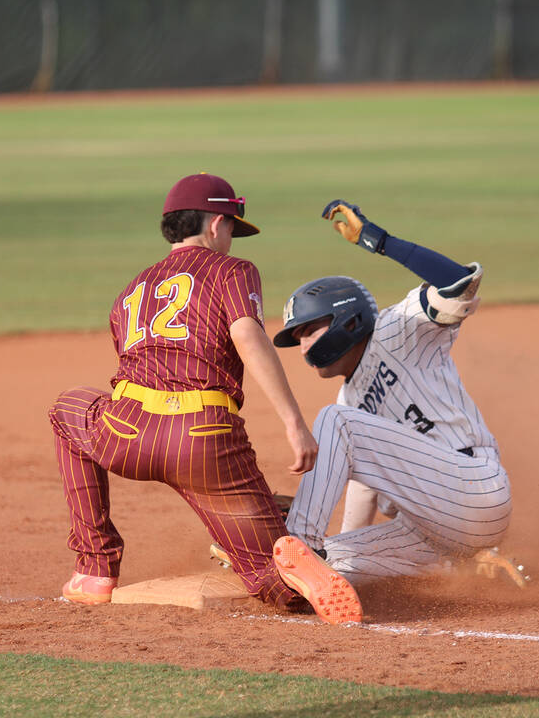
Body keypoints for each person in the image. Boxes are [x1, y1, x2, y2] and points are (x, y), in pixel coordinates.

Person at [49, 174, 361, 625]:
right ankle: (291, 574)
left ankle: (94, 569)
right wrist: (294, 422)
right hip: (203, 442)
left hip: (124, 431)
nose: (232, 238)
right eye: (232, 227)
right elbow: (247, 335)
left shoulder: (131, 290)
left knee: (67, 409)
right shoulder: (232, 270)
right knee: (265, 577)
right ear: (216, 223)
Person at [271, 199, 512, 585]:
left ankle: (302, 543)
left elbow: (458, 282)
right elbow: (363, 493)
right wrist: (342, 548)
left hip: (473, 489)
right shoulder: (348, 402)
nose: (302, 348)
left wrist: (378, 240)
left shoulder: (398, 329)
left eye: (307, 331)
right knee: (333, 559)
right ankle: (472, 568)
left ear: (344, 320)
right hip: (432, 530)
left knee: (335, 423)